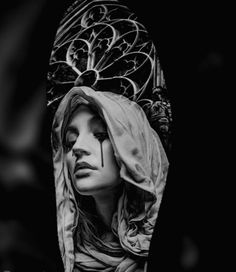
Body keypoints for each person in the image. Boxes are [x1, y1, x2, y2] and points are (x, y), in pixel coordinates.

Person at [51, 86, 169, 272]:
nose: (78, 148)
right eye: (70, 142)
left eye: (100, 135)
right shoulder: (61, 251)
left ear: (137, 150)